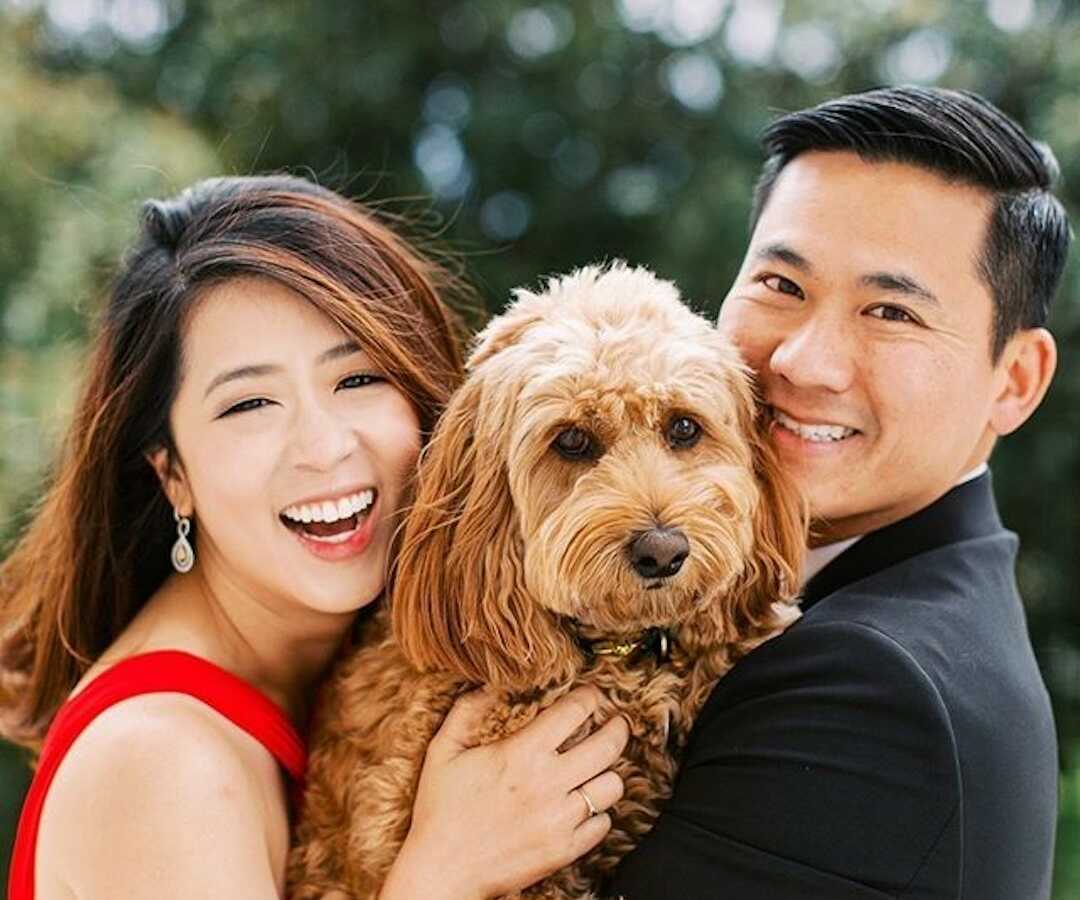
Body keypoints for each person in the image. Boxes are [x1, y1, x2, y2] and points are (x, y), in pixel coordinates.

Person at [0, 175, 629, 900]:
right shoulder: (161, 759)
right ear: (172, 473)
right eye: (250, 403)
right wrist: (446, 871)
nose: (324, 447)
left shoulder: (371, 674)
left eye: (358, 379)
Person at [609, 86, 1069, 899]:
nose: (801, 362)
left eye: (889, 310)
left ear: (1017, 379)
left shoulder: (873, 683)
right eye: (781, 286)